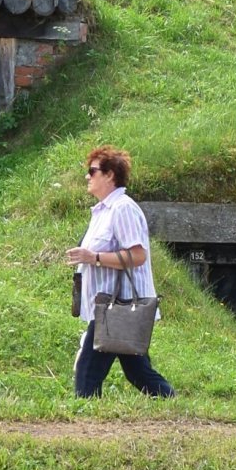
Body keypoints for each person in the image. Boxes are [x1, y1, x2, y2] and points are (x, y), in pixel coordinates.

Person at [65, 146, 175, 399]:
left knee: (87, 372)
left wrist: (94, 257)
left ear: (110, 175)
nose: (87, 176)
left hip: (120, 306)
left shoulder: (122, 209)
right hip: (110, 307)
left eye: (92, 171)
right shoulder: (103, 211)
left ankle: (85, 421)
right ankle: (171, 402)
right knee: (137, 372)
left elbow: (138, 255)